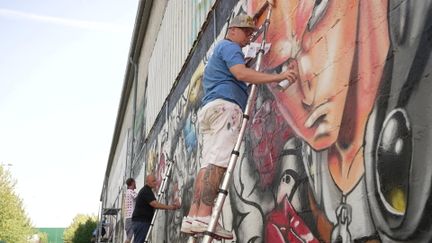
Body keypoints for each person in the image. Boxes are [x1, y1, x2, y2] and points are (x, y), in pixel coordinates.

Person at [179, 13, 299, 239]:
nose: (248, 37)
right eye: (245, 32)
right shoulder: (230, 46)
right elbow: (240, 73)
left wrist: (247, 62)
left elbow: (237, 70)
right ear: (232, 30)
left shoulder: (222, 51)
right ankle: (205, 217)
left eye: (251, 33)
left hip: (212, 109)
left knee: (207, 165)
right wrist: (278, 76)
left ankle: (194, 217)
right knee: (218, 163)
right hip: (225, 109)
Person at [132, 174, 180, 243]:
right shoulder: (146, 191)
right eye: (153, 181)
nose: (155, 183)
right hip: (141, 222)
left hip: (140, 221)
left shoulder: (147, 190)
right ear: (147, 182)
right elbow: (155, 204)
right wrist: (171, 207)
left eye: (155, 181)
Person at [123, 178, 137, 243]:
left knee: (130, 237)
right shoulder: (130, 191)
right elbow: (139, 197)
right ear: (132, 183)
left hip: (128, 219)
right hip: (131, 218)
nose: (135, 184)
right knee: (129, 238)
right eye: (135, 182)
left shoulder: (127, 192)